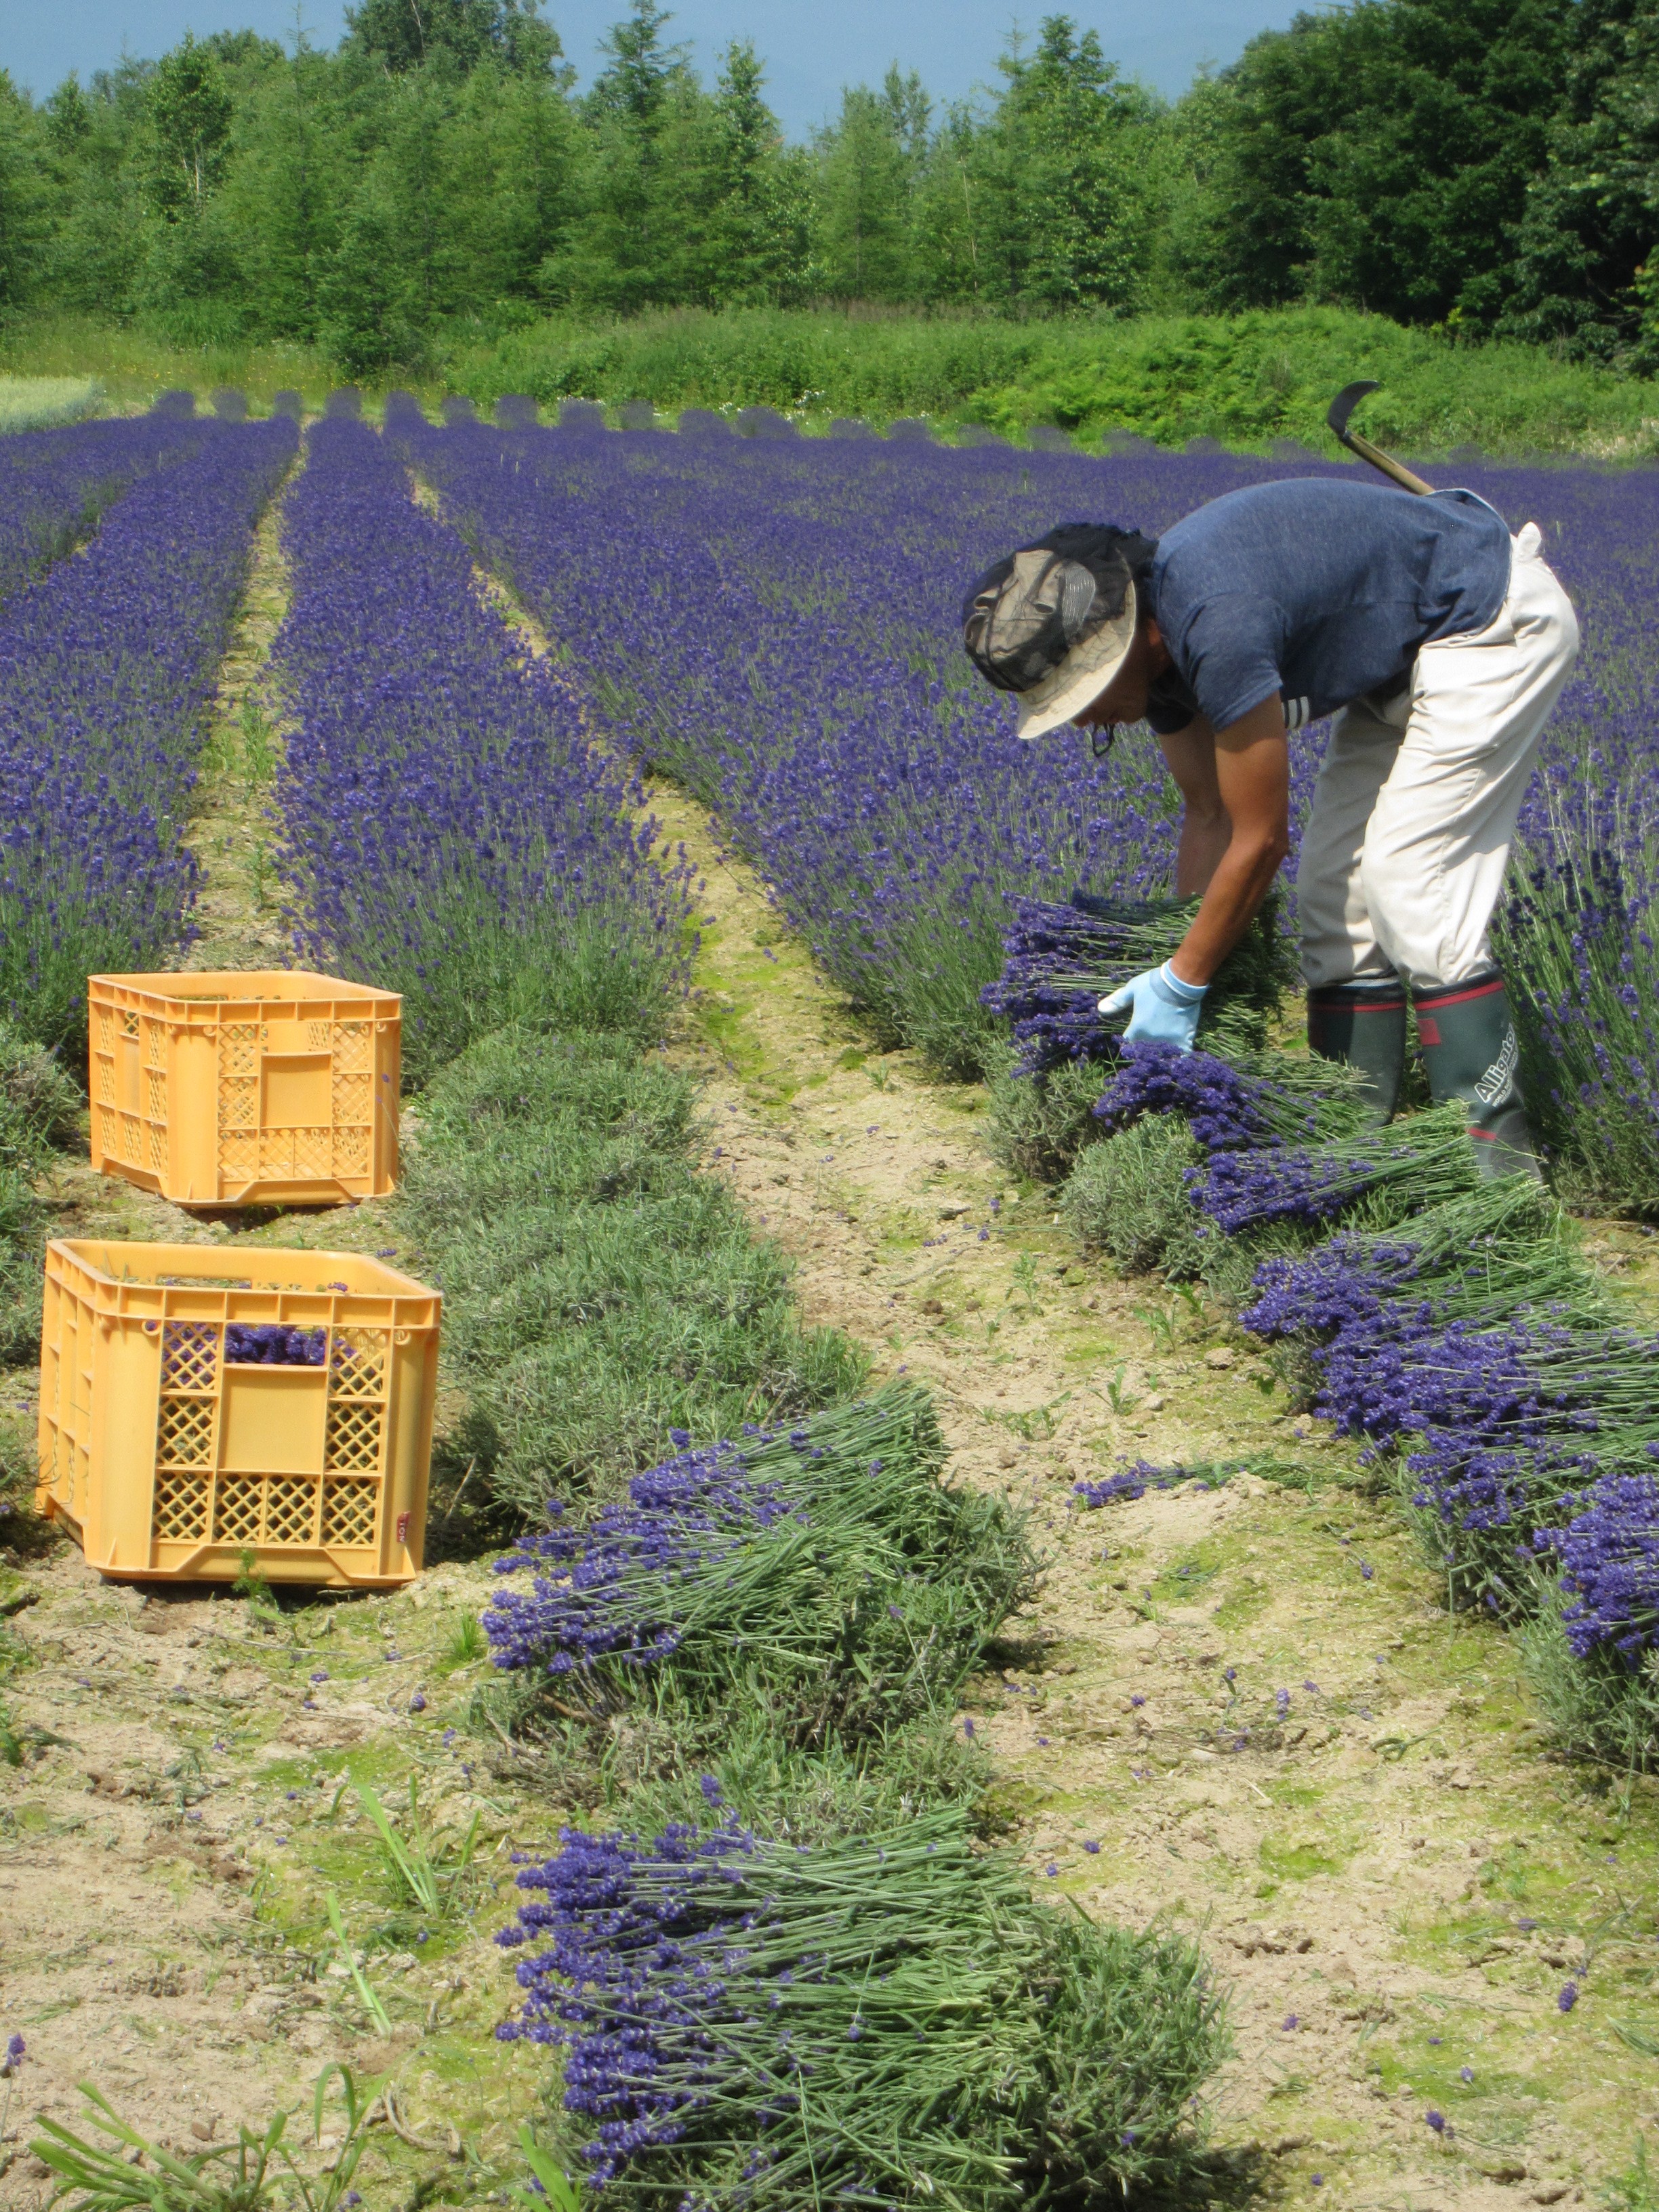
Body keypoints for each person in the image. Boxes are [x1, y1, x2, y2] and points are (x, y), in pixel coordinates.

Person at [960, 478, 1580, 1175]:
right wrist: (1187, 947)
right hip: (1399, 664)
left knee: (1412, 885)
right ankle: (1351, 1150)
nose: (1082, 719)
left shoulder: (1215, 624)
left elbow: (1261, 840)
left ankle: (1494, 1177)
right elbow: (1211, 815)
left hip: (1489, 624)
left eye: (1080, 693)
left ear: (1134, 641)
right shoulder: (1162, 663)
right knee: (1332, 905)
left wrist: (1184, 982)